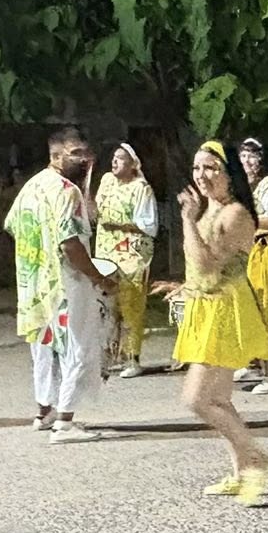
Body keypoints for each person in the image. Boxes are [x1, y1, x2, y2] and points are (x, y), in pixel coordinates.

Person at [172, 140, 268, 504]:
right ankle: (241, 471)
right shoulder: (209, 209)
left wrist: (187, 219)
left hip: (225, 310)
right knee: (217, 398)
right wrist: (182, 287)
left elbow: (206, 264)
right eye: (197, 168)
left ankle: (255, 458)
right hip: (207, 306)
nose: (201, 175)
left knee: (196, 400)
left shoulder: (234, 214)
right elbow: (198, 267)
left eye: (211, 168)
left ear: (230, 174)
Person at [6, 127, 114, 444]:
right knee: (78, 346)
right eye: (75, 153)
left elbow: (12, 225)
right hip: (67, 283)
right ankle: (65, 423)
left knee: (44, 348)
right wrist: (99, 277)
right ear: (55, 155)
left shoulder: (32, 186)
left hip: (35, 283)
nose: (83, 159)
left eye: (85, 152)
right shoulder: (67, 191)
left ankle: (45, 411)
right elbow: (71, 244)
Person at [94, 144, 158, 378]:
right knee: (107, 308)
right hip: (106, 253)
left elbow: (148, 226)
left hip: (132, 256)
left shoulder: (141, 189)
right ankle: (111, 356)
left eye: (121, 159)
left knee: (131, 307)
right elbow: (97, 210)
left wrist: (118, 225)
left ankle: (133, 358)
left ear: (133, 164)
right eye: (113, 158)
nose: (115, 162)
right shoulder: (106, 181)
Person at [234, 138, 268, 394]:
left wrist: (248, 221)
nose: (247, 161)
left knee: (266, 310)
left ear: (261, 160)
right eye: (243, 155)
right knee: (248, 308)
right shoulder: (242, 187)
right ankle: (252, 362)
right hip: (252, 251)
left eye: (252, 155)